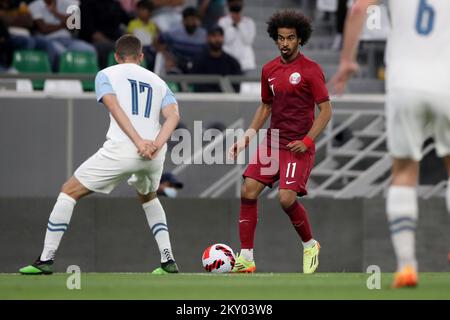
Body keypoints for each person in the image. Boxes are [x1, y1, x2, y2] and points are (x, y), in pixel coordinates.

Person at [19, 34, 181, 275]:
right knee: (148, 197)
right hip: (154, 154)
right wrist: (154, 145)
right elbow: (174, 116)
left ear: (116, 56)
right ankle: (168, 260)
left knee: (68, 191)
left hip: (125, 148)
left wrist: (138, 142)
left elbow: (113, 106)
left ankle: (46, 259)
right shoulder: (158, 81)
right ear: (141, 57)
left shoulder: (106, 74)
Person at [329, 0, 450, 288]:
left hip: (404, 84)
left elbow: (358, 9)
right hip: (447, 81)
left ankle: (407, 265)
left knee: (404, 171)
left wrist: (347, 60)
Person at [228, 10, 332, 274]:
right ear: (275, 39)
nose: (285, 43)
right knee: (248, 190)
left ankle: (310, 244)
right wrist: (247, 138)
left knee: (286, 199)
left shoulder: (311, 70)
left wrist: (308, 140)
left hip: (298, 145)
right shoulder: (269, 70)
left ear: (300, 39)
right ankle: (246, 258)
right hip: (273, 142)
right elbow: (265, 106)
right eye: (281, 38)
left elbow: (327, 111)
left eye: (290, 38)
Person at [28, 0, 96, 71]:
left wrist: (55, 12)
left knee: (90, 50)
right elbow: (43, 28)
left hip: (69, 40)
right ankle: (62, 79)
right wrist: (64, 24)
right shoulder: (35, 5)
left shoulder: (66, 3)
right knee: (62, 53)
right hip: (49, 40)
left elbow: (73, 25)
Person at [190, 25, 242, 92]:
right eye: (214, 36)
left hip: (227, 100)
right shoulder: (199, 61)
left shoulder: (233, 63)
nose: (217, 39)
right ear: (208, 38)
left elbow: (236, 87)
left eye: (220, 36)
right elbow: (195, 85)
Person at [158, 6, 207, 73]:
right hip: (177, 64)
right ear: (184, 21)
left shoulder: (204, 34)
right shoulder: (174, 32)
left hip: (197, 66)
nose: (192, 23)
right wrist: (168, 57)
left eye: (194, 20)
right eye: (189, 20)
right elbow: (158, 42)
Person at [218, 0, 256, 72]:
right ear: (228, 4)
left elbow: (248, 41)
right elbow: (225, 40)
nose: (236, 3)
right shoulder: (222, 21)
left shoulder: (249, 22)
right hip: (227, 62)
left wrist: (239, 24)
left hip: (245, 63)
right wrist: (233, 24)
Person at [127, 0, 159, 70]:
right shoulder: (133, 24)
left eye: (143, 10)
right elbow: (129, 38)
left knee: (157, 56)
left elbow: (155, 41)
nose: (140, 12)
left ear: (150, 12)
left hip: (151, 49)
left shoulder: (153, 25)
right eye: (139, 10)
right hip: (138, 48)